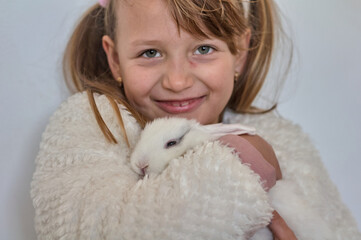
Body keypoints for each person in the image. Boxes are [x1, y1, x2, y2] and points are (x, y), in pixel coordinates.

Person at [31, 0, 361, 239]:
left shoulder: (286, 140)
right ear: (115, 59)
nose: (177, 81)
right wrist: (241, 165)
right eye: (150, 53)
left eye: (203, 49)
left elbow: (337, 226)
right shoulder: (91, 126)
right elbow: (96, 226)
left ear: (239, 54)